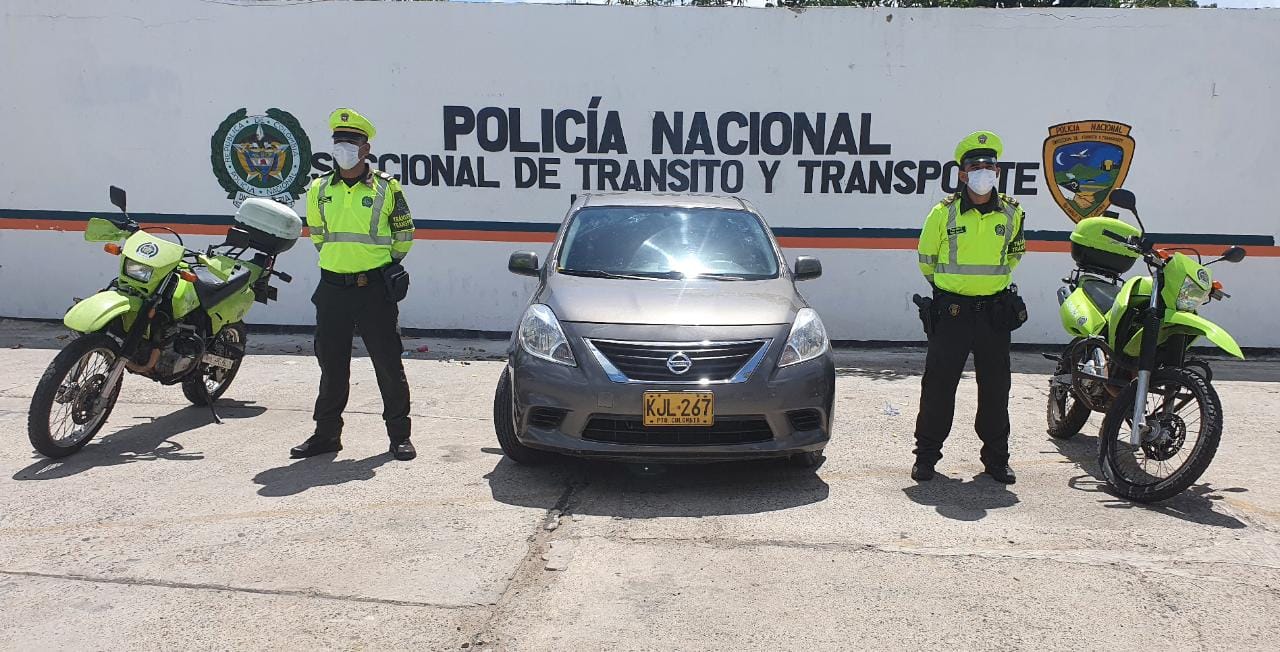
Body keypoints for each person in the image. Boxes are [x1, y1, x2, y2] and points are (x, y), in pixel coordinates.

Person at [290, 108, 417, 461]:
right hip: (332, 289)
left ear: (366, 148)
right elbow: (317, 234)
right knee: (332, 366)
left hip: (374, 289)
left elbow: (404, 233)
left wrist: (385, 266)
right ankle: (326, 435)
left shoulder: (387, 188)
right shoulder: (318, 189)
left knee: (388, 364)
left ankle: (399, 436)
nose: (343, 146)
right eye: (338, 140)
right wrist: (340, 261)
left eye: (351, 140)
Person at [912, 130, 1026, 484]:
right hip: (953, 313)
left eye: (990, 166)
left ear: (998, 173)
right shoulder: (942, 213)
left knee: (996, 389)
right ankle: (926, 458)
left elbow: (1015, 254)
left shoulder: (1011, 212)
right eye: (975, 167)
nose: (983, 172)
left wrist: (987, 286)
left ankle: (996, 460)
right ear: (962, 174)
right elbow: (926, 260)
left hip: (994, 313)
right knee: (938, 388)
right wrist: (952, 290)